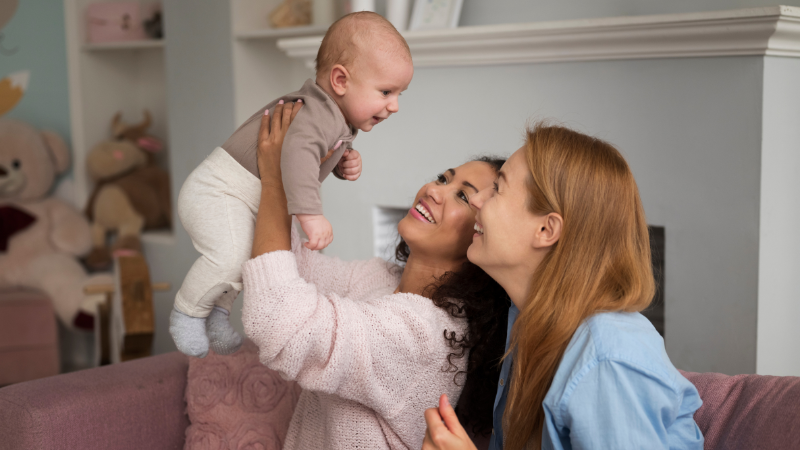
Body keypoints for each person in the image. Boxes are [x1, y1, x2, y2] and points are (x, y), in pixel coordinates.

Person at [241, 101, 509, 449]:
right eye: (444, 177)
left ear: (482, 233)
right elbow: (295, 272)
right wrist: (300, 173)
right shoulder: (384, 278)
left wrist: (276, 182)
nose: (433, 189)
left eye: (461, 195)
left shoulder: (426, 335)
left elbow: (276, 317)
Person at [422, 123, 704, 450]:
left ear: (546, 229)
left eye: (497, 188)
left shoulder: (607, 358)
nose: (477, 201)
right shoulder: (526, 321)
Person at [169, 11, 415, 359]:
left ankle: (216, 316)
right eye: (387, 91)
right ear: (341, 81)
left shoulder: (337, 120)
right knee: (229, 256)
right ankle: (187, 312)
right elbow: (297, 154)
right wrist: (310, 214)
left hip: (243, 198)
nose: (395, 106)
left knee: (246, 259)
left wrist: (343, 163)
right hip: (219, 190)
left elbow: (311, 153)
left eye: (400, 93)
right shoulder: (317, 112)